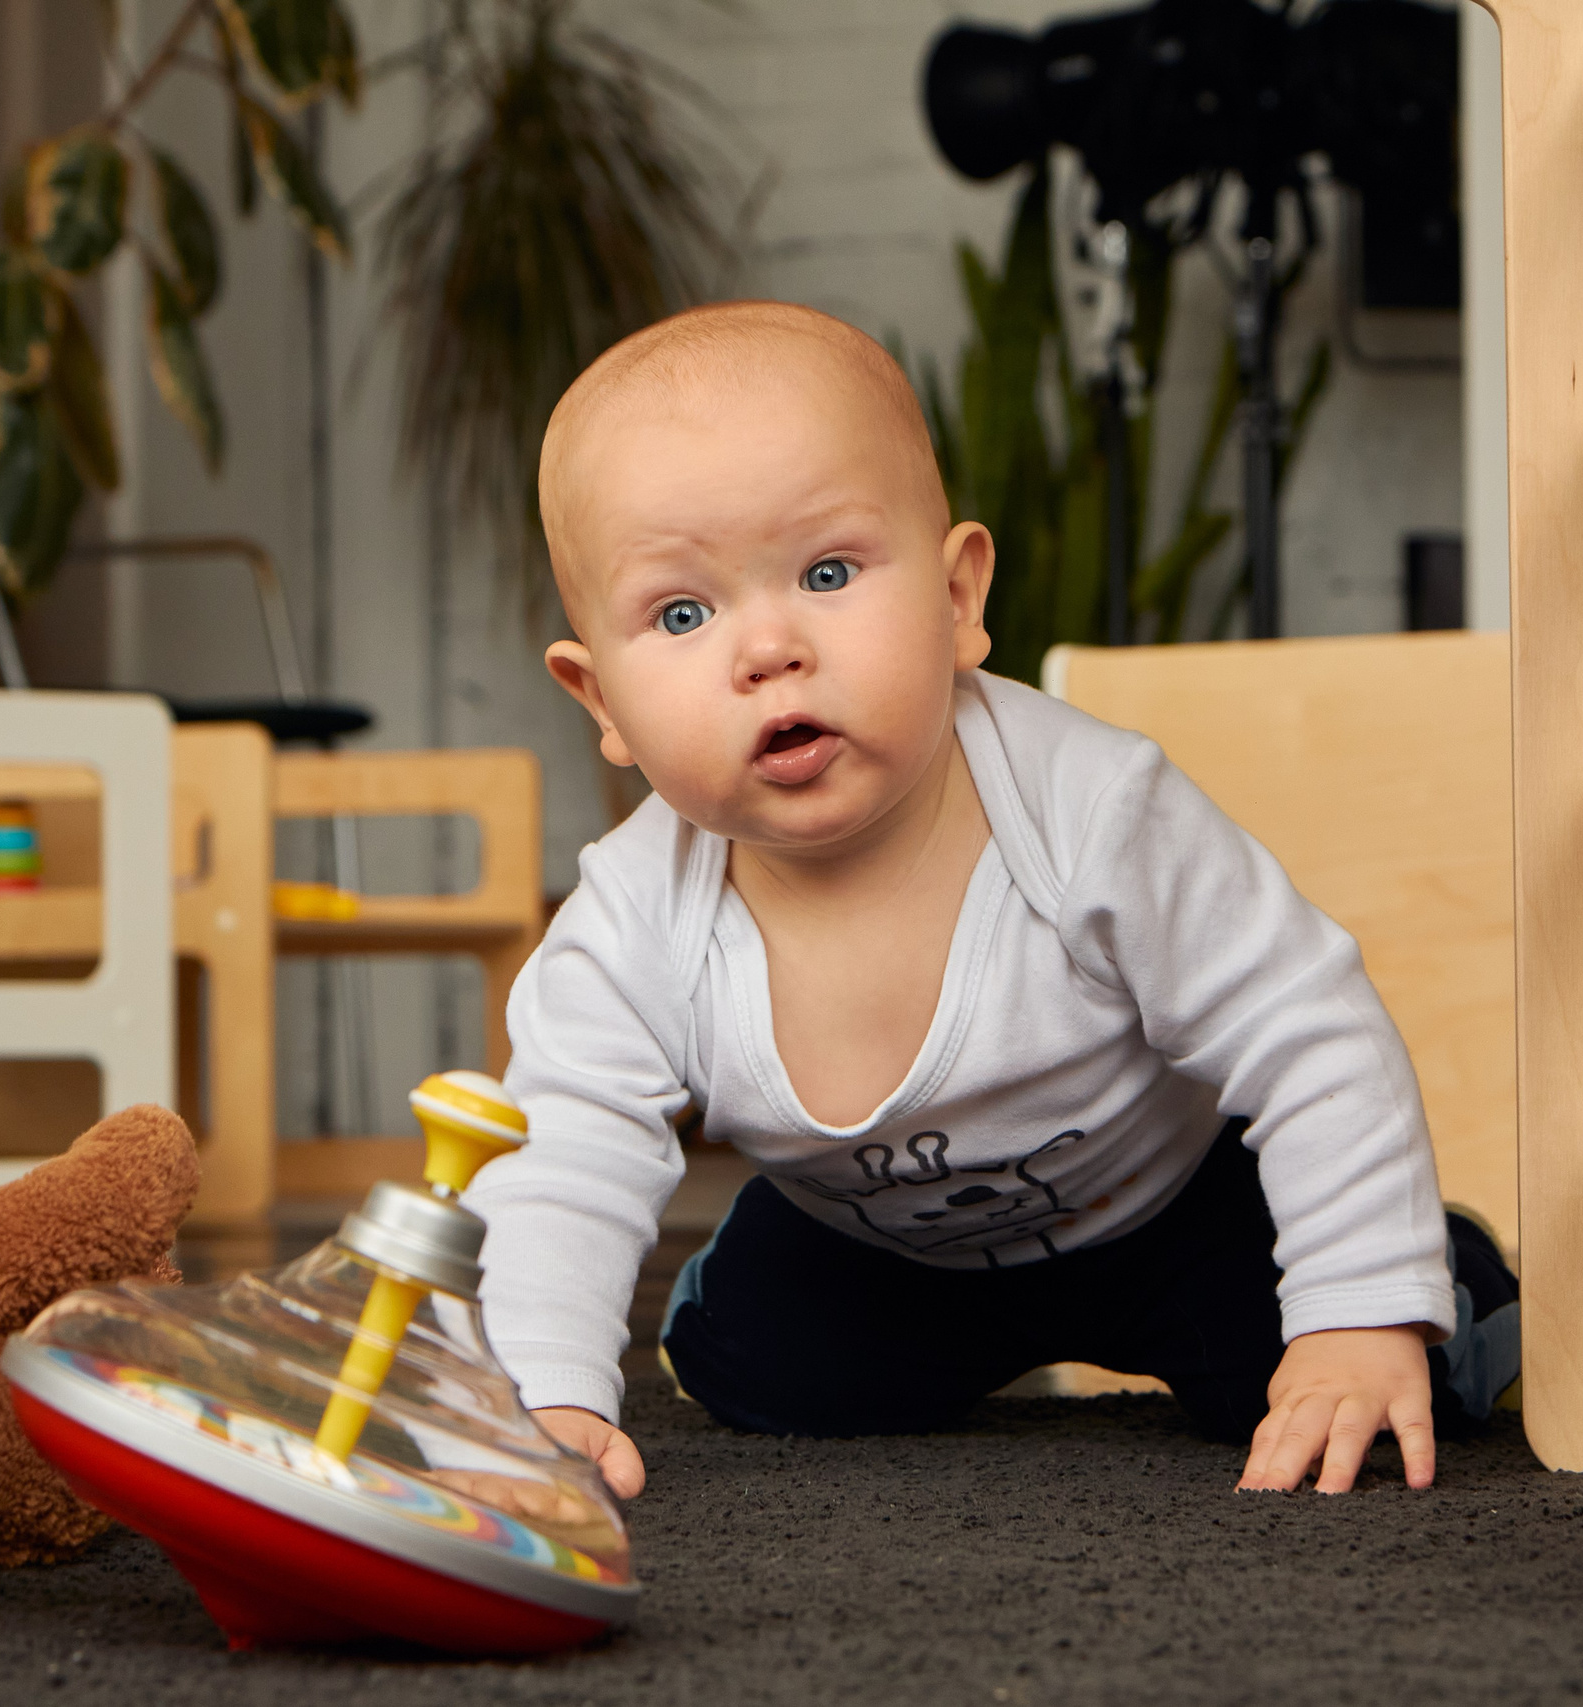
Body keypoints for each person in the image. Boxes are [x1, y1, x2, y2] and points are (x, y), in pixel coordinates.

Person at [463, 299, 1519, 1503]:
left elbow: (1306, 1029)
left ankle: (1444, 1274)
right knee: (748, 1364)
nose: (767, 649)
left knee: (1345, 1390)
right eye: (682, 614)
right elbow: (561, 1151)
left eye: (826, 572)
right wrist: (540, 1392)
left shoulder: (1092, 810)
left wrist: (1360, 1312)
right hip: (886, 1252)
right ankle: (759, 1299)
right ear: (600, 701)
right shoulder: (631, 918)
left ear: (958, 596)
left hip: (1176, 1215)